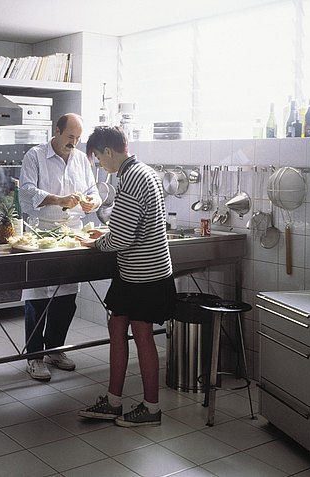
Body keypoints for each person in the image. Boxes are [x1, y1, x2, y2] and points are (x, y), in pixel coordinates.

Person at [77, 126, 176, 427]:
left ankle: (151, 408)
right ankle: (113, 401)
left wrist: (96, 243)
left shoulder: (132, 179)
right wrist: (107, 233)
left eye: (97, 158)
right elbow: (129, 227)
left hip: (144, 274)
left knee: (142, 335)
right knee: (116, 325)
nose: (99, 165)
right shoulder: (143, 171)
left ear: (108, 151)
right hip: (135, 270)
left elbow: (121, 238)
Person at [19, 113, 101, 381]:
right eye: (70, 137)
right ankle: (34, 357)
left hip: (72, 233)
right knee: (37, 297)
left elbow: (94, 191)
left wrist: (92, 202)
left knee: (67, 296)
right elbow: (27, 192)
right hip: (40, 231)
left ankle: (54, 350)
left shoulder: (80, 159)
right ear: (56, 131)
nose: (74, 143)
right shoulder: (35, 156)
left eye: (78, 138)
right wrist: (60, 199)